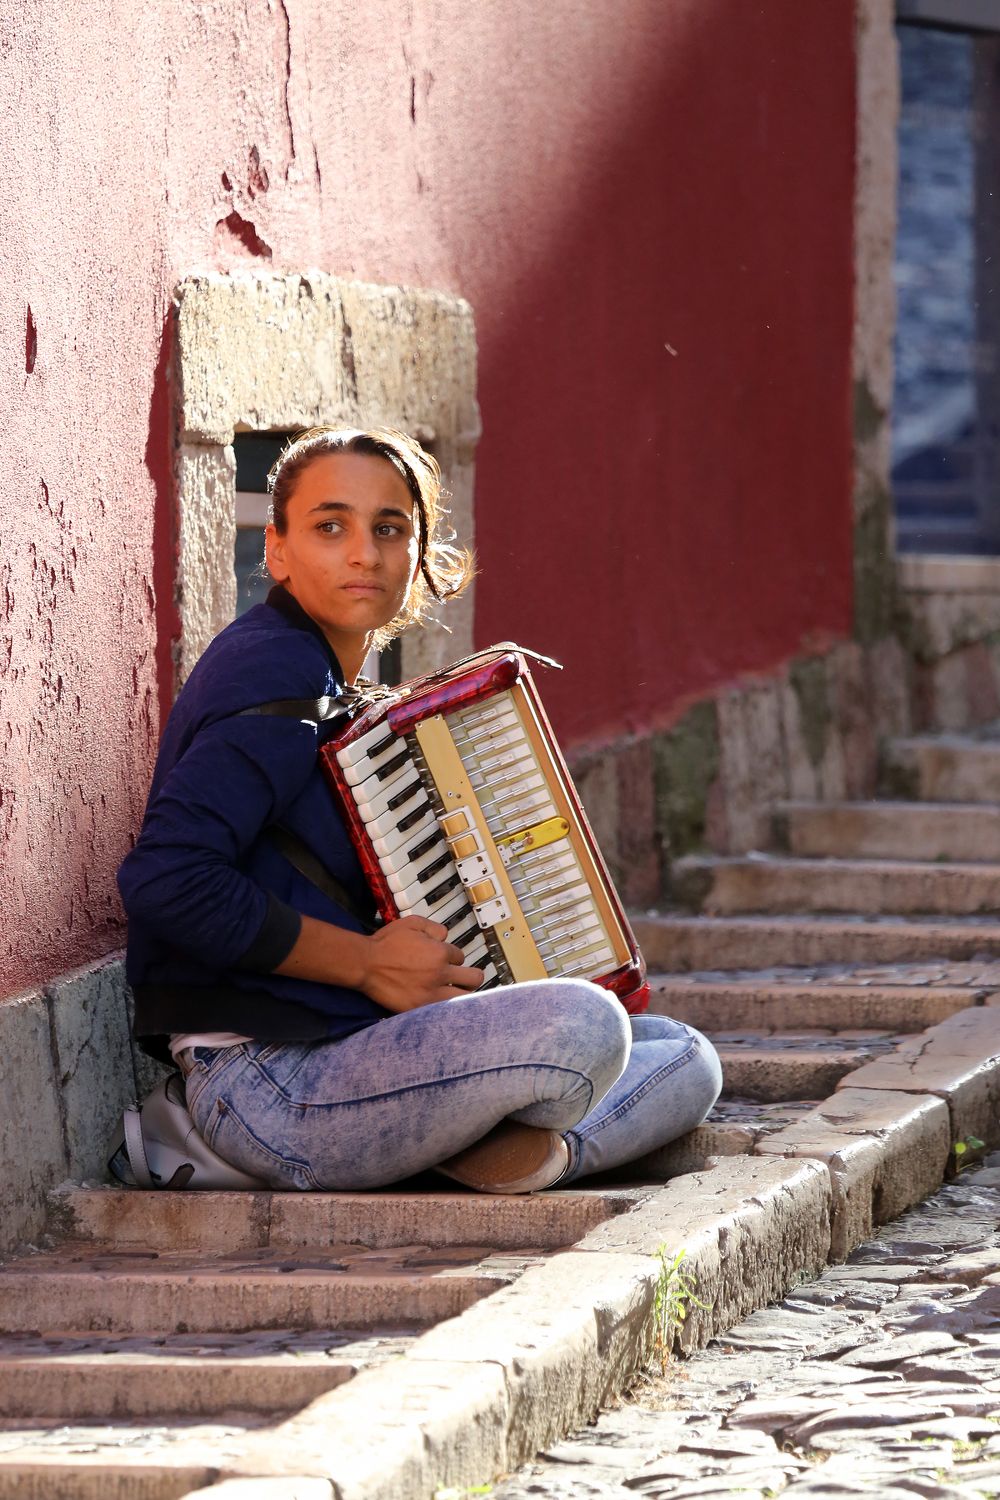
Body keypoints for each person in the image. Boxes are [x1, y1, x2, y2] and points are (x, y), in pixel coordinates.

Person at [118, 426, 722, 1193]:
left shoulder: (330, 681)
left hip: (356, 1051)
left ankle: (520, 1155)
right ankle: (243, 1140)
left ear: (417, 552)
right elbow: (167, 879)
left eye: (389, 528)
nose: (364, 554)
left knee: (681, 1051)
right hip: (267, 1081)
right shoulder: (272, 664)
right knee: (587, 1027)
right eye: (329, 527)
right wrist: (367, 962)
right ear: (276, 550)